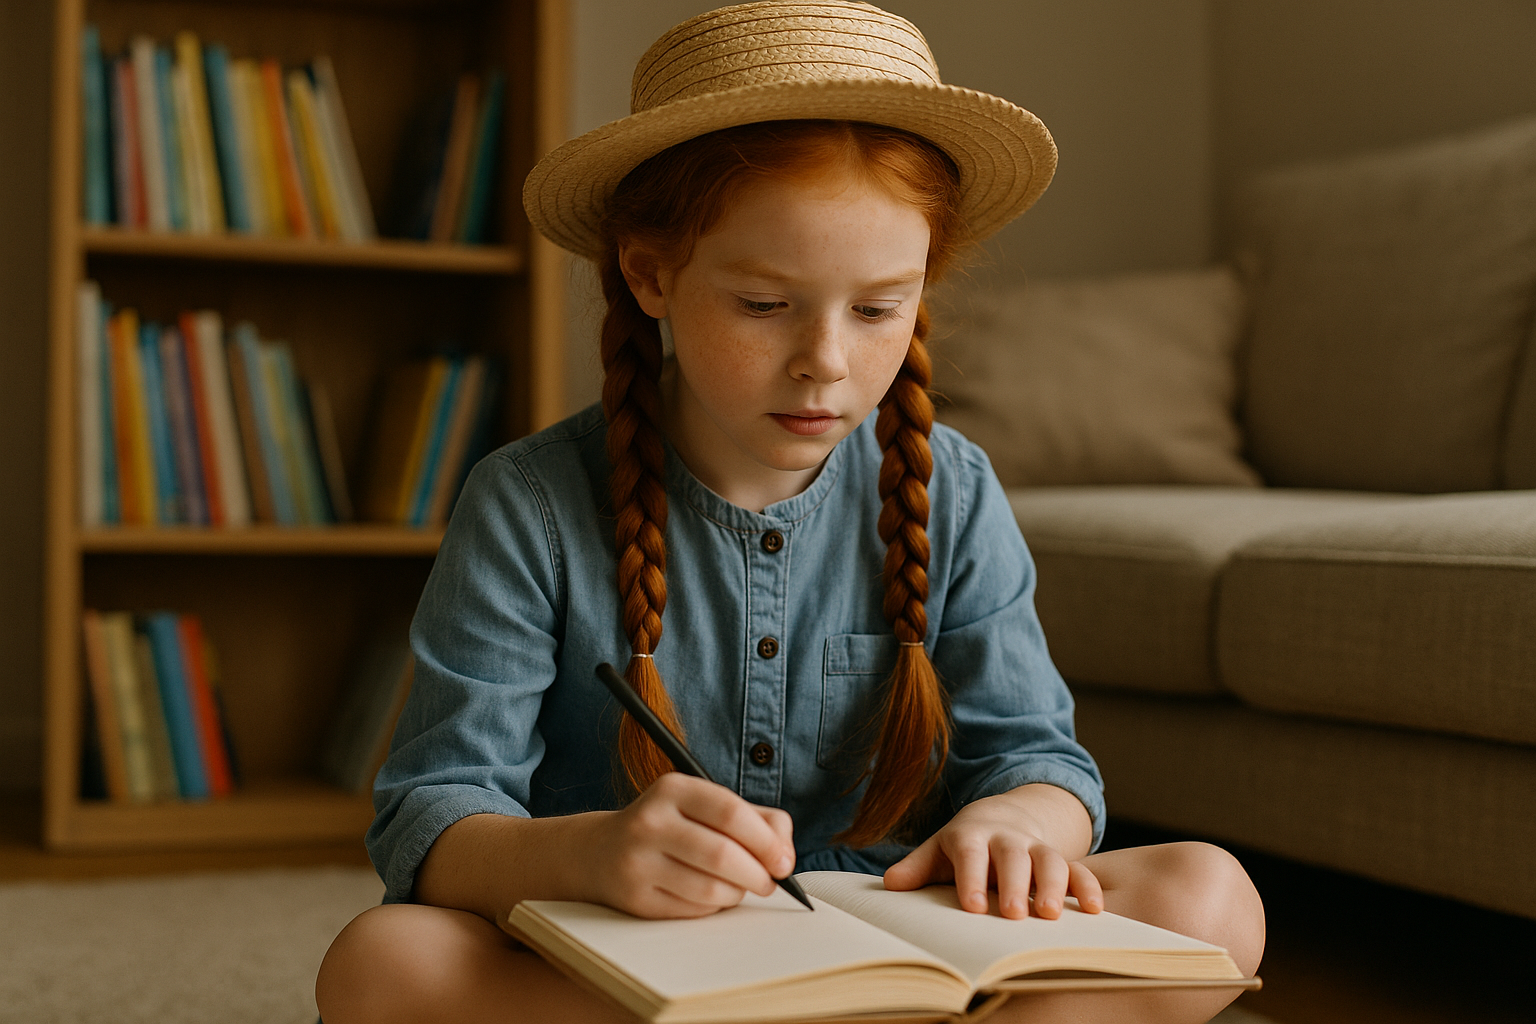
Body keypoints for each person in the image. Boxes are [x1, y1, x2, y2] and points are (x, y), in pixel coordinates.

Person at [316, 3, 1265, 1022]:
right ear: (650, 274)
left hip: (905, 957)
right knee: (383, 961)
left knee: (1210, 893)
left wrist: (1026, 824)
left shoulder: (958, 490)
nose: (826, 360)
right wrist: (590, 851)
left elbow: (1039, 758)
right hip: (643, 969)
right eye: (765, 305)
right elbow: (432, 812)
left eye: (877, 308)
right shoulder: (528, 503)